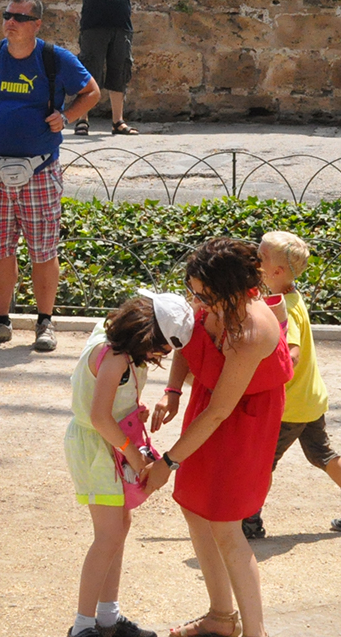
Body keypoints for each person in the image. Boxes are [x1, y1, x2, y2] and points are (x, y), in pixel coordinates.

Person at [144, 238, 293, 637]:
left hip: (242, 422)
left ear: (229, 289)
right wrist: (173, 391)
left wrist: (166, 463)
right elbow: (184, 338)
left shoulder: (251, 330)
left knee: (226, 525)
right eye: (193, 291)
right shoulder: (212, 300)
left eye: (202, 294)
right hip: (210, 406)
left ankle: (255, 632)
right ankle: (221, 617)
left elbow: (221, 412)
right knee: (194, 509)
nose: (195, 301)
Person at [0, 0, 99, 352]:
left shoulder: (55, 59)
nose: (11, 22)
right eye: (7, 14)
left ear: (36, 24)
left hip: (39, 170)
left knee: (43, 250)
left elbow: (91, 92)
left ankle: (45, 323)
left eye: (20, 17)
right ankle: (1, 322)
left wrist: (67, 116)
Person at [63, 294, 193, 637]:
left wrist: (135, 411)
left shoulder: (117, 345)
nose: (161, 357)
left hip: (110, 445)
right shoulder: (116, 358)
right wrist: (135, 456)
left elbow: (108, 403)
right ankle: (82, 626)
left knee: (118, 528)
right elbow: (98, 417)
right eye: (162, 349)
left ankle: (108, 616)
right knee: (107, 536)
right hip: (97, 450)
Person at [241, 232, 341, 540]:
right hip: (310, 400)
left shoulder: (284, 308)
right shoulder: (290, 296)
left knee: (261, 463)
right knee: (323, 455)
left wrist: (262, 372)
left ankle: (249, 520)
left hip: (288, 407)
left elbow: (291, 352)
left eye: (260, 257)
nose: (254, 259)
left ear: (275, 272)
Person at [65, 0, 149, 136]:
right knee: (88, 72)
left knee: (119, 72)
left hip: (120, 24)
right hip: (93, 24)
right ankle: (82, 119)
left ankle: (118, 121)